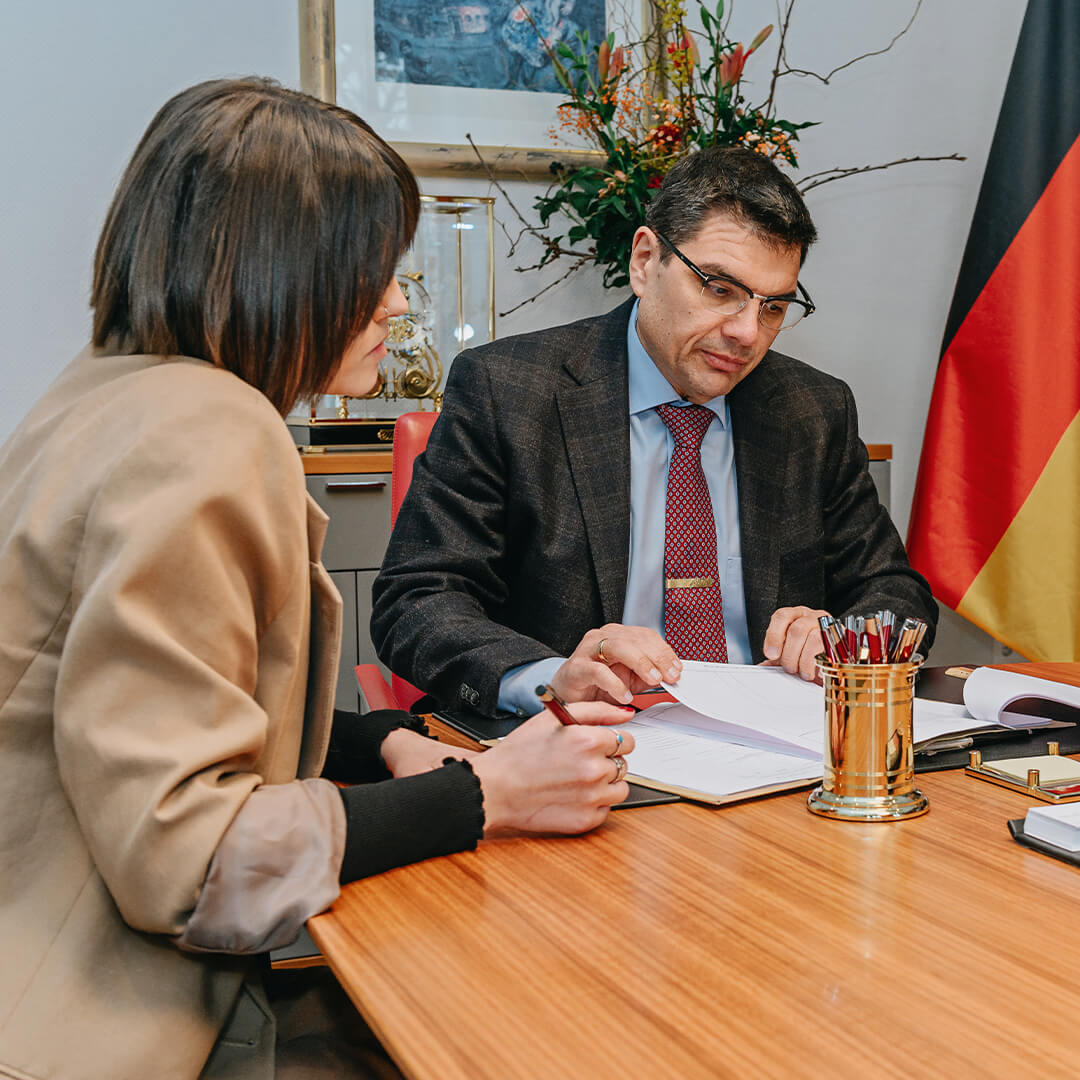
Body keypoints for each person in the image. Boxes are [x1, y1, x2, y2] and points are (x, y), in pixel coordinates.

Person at [0, 77, 634, 1080]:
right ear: (279, 268)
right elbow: (189, 860)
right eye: (375, 269)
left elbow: (136, 715)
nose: (395, 301)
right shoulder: (208, 430)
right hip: (98, 1027)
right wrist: (487, 795)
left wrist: (375, 740)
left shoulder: (96, 397)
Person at [371, 146, 938, 721]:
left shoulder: (813, 409)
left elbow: (894, 592)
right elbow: (419, 601)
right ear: (645, 261)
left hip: (773, 747)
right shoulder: (509, 390)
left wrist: (844, 637)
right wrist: (549, 680)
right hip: (582, 742)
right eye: (720, 288)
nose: (747, 333)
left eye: (774, 307)